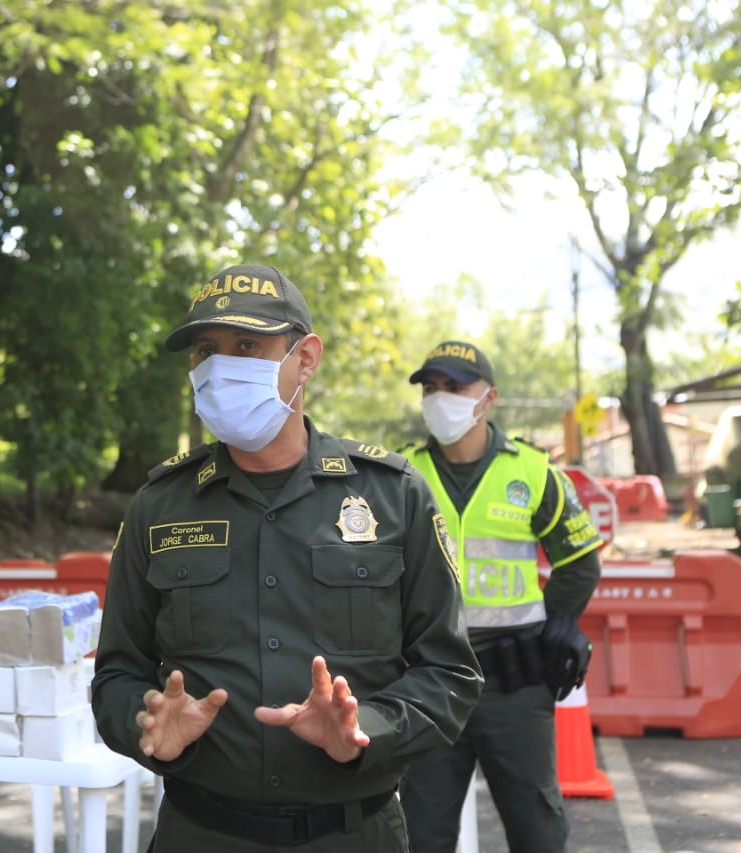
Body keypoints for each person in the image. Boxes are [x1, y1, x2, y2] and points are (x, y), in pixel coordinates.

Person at [90, 263, 483, 851]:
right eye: (205, 350)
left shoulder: (393, 495)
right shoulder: (159, 506)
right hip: (202, 833)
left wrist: (364, 729)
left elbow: (449, 674)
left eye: (247, 345)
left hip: (354, 835)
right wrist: (145, 721)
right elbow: (116, 672)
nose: (220, 366)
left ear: (305, 358)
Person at [398, 340, 603, 853]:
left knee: (535, 824)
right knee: (421, 829)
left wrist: (559, 620)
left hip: (513, 679)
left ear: (488, 398)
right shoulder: (399, 474)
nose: (439, 398)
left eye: (454, 387)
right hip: (426, 679)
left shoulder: (533, 472)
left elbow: (580, 557)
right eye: (431, 388)